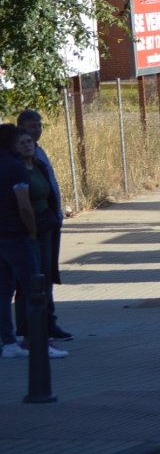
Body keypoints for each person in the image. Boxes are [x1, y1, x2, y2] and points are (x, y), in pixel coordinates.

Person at [0, 126, 55, 360]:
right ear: (12, 145)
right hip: (18, 236)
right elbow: (24, 205)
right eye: (21, 141)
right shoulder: (16, 168)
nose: (27, 144)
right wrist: (32, 231)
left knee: (3, 292)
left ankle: (8, 342)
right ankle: (37, 342)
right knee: (35, 289)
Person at [15, 110, 69, 341]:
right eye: (30, 127)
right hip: (30, 229)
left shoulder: (39, 153)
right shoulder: (16, 162)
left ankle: (47, 323)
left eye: (39, 126)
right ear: (20, 129)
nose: (36, 131)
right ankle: (30, 330)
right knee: (32, 281)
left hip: (49, 224)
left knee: (45, 277)